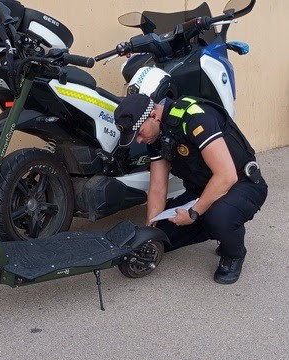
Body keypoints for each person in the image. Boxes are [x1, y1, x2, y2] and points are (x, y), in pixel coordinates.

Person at [114, 93, 267, 284]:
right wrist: (149, 230)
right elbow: (158, 188)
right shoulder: (156, 135)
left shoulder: (195, 118)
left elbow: (226, 176)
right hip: (202, 191)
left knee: (219, 217)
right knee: (162, 234)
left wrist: (193, 213)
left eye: (139, 133)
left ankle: (233, 253)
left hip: (242, 185)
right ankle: (218, 226)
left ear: (153, 115)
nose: (138, 140)